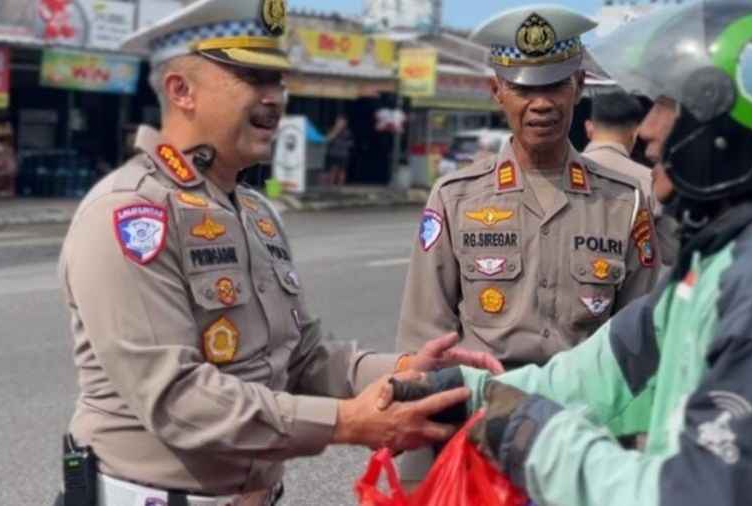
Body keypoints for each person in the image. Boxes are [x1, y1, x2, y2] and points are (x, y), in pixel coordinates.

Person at [392, 1, 752, 504]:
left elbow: (698, 496)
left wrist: (532, 433)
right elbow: (601, 372)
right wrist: (465, 389)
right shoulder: (721, 267)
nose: (647, 132)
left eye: (667, 106)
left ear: (723, 128)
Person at [55, 1, 502, 505]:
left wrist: (404, 369)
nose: (275, 99)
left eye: (279, 81)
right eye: (254, 77)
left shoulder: (254, 212)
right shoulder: (130, 213)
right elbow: (178, 398)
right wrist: (347, 423)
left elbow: (302, 357)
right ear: (181, 90)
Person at [394, 4, 661, 484]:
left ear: (579, 87)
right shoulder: (455, 199)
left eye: (554, 85)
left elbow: (639, 353)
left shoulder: (625, 203)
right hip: (481, 443)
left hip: (585, 445)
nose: (541, 103)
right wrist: (419, 480)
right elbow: (423, 342)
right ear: (496, 91)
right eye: (523, 88)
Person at [583, 89, 680, 267]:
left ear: (589, 128)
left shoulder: (554, 175)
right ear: (635, 134)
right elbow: (672, 253)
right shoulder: (653, 182)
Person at [325, 114, 352, 186]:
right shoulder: (331, 129)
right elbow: (327, 140)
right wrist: (336, 131)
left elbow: (351, 143)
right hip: (333, 153)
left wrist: (344, 145)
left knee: (342, 171)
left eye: (342, 122)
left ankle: (340, 185)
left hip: (343, 154)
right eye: (339, 121)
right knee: (332, 170)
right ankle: (330, 185)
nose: (341, 123)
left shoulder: (348, 132)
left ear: (345, 123)